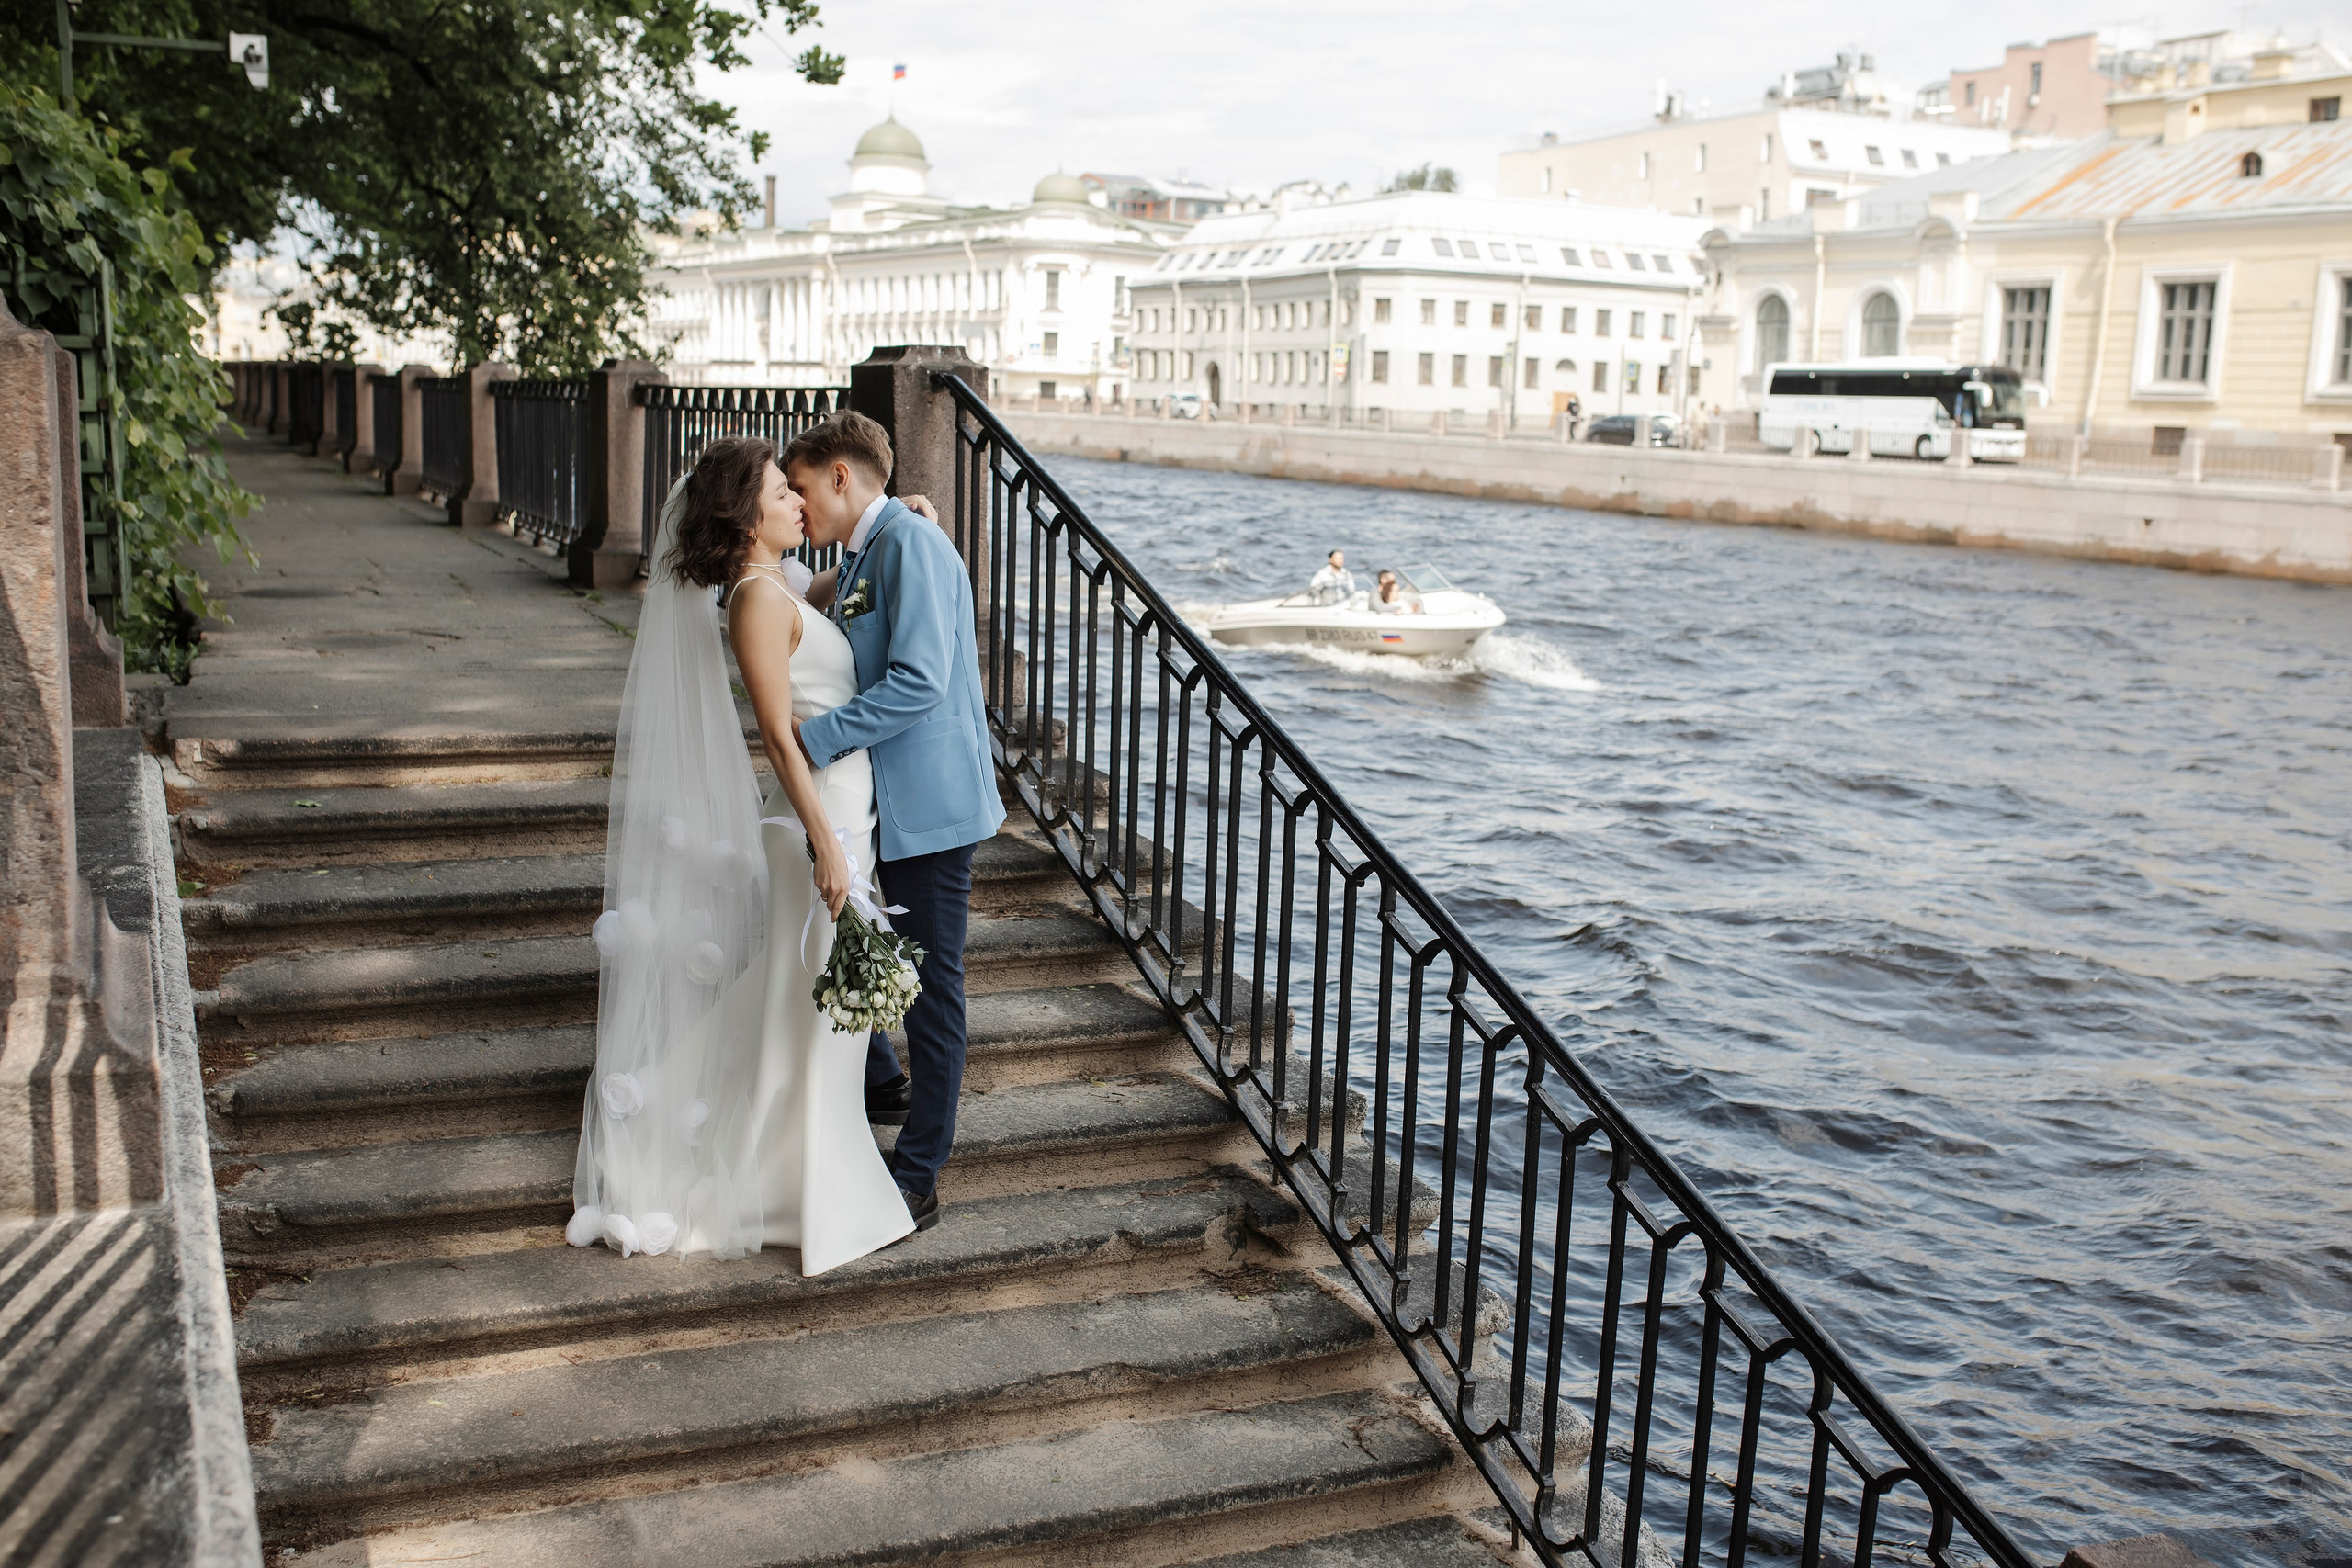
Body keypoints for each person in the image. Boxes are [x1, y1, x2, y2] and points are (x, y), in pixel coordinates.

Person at [570, 434, 920, 1273]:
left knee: (800, 1008)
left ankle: (782, 1170)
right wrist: (825, 844)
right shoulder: (756, 601)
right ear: (747, 517)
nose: (801, 503)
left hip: (840, 813)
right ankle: (784, 1185)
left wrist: (901, 520)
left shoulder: (778, 585)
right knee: (810, 1012)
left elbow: (832, 592)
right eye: (781, 494)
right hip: (814, 823)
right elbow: (775, 731)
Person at [786, 412, 1002, 1237]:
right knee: (863, 941)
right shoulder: (872, 546)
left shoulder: (909, 545)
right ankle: (881, 1080)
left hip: (933, 810)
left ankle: (919, 1174)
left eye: (804, 489)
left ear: (841, 476)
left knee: (934, 990)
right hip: (886, 801)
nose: (800, 509)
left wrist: (815, 739)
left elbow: (918, 682)